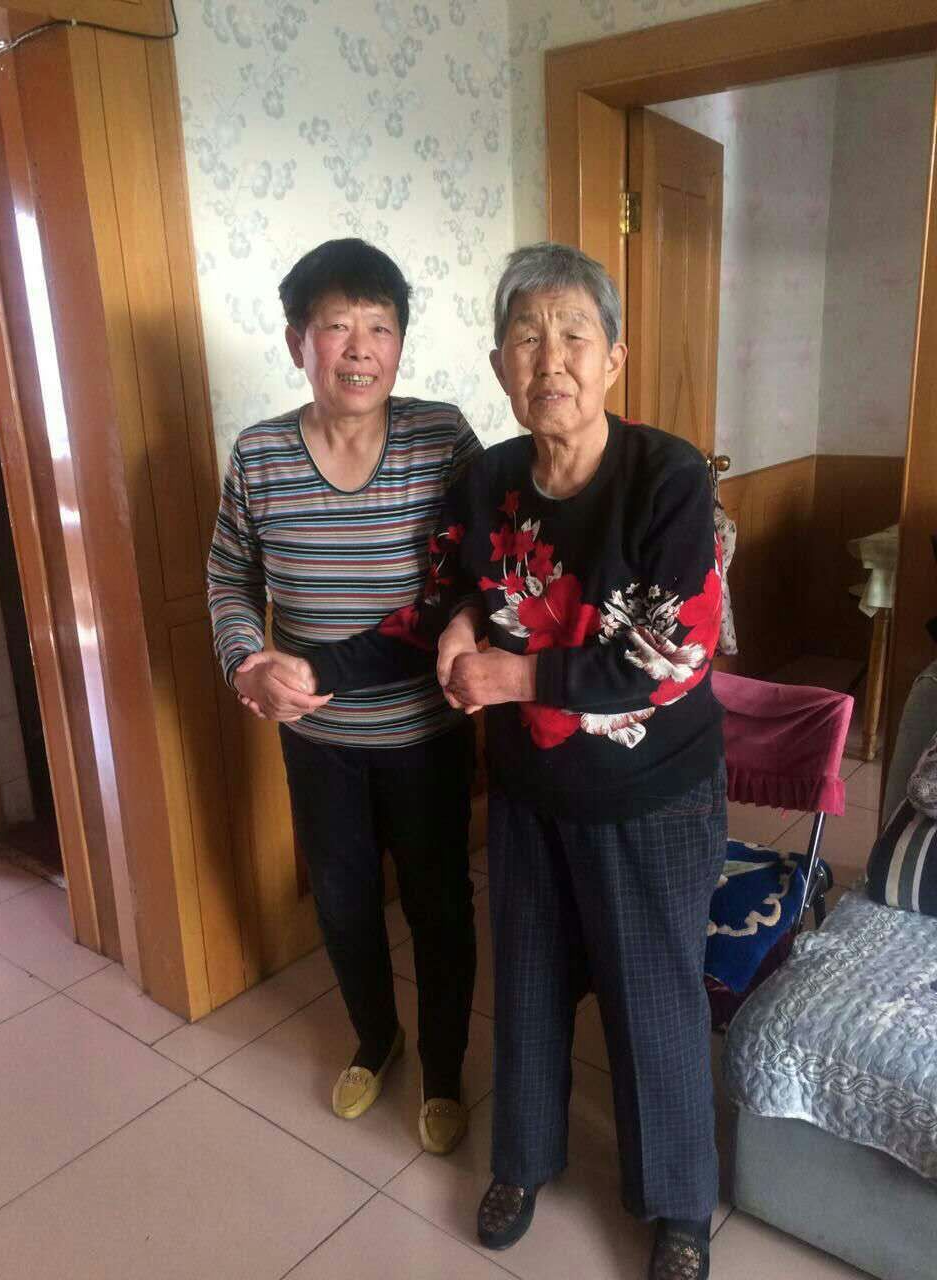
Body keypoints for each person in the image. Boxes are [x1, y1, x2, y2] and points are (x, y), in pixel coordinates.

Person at [296, 242, 726, 1280]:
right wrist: (319, 668)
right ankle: (523, 1161)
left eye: (575, 335)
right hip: (532, 792)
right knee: (526, 984)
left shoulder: (667, 477)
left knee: (652, 998)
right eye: (527, 338)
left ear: (614, 358)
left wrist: (515, 674)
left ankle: (678, 1204)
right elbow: (442, 601)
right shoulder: (488, 478)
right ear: (499, 365)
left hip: (651, 793)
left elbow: (673, 654)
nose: (552, 358)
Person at [206, 238, 481, 1156]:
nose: (359, 348)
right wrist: (248, 663)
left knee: (440, 904)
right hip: (317, 745)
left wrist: (462, 624)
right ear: (299, 342)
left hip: (425, 735)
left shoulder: (442, 438)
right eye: (336, 327)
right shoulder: (260, 455)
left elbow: (480, 571)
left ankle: (443, 1066)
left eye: (380, 327)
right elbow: (229, 578)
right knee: (343, 901)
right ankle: (377, 1037)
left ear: (400, 343)